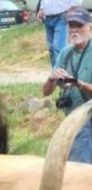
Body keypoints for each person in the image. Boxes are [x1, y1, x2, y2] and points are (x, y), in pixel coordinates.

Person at [42, 7, 92, 164]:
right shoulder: (64, 53)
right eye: (71, 26)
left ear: (90, 27)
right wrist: (51, 79)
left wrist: (79, 84)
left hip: (87, 119)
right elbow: (46, 92)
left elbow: (80, 85)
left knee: (80, 171)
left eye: (79, 26)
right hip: (72, 120)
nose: (75, 30)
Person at [37, 0, 83, 67]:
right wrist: (41, 8)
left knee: (58, 48)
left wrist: (73, 8)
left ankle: (61, 73)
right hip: (47, 17)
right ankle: (55, 73)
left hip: (62, 16)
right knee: (51, 48)